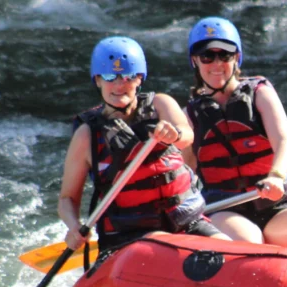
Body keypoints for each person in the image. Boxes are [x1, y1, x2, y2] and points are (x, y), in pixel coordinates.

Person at [182, 17, 287, 264]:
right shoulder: (190, 115)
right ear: (195, 61)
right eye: (207, 57)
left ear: (236, 58)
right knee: (250, 240)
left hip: (273, 205)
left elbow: (284, 142)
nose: (216, 64)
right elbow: (186, 172)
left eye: (225, 55)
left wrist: (275, 175)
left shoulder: (259, 93)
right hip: (225, 209)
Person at [59, 36, 229, 253]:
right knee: (165, 245)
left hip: (187, 223)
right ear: (98, 80)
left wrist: (173, 134)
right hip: (128, 236)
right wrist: (73, 226)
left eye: (128, 77)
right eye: (110, 76)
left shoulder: (161, 104)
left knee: (230, 250)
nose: (120, 85)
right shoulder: (87, 135)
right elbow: (67, 198)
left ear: (139, 79)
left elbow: (187, 135)